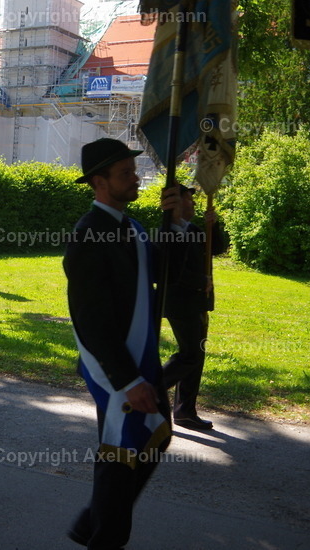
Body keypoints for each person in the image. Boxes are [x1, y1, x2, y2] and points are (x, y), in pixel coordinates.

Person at [63, 138, 179, 549]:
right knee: (121, 454)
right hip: (117, 371)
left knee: (153, 437)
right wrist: (128, 380)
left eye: (134, 170)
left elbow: (165, 271)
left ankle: (90, 522)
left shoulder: (133, 228)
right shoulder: (88, 235)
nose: (136, 178)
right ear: (99, 182)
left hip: (137, 363)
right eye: (125, 173)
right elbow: (90, 320)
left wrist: (180, 222)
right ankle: (103, 535)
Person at [160, 183, 229, 431]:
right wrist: (202, 282)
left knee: (195, 356)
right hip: (180, 302)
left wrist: (214, 226)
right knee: (190, 355)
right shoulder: (166, 232)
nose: (193, 202)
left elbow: (218, 249)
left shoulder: (194, 229)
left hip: (198, 301)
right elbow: (169, 271)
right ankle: (150, 389)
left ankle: (185, 411)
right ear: (174, 203)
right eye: (187, 198)